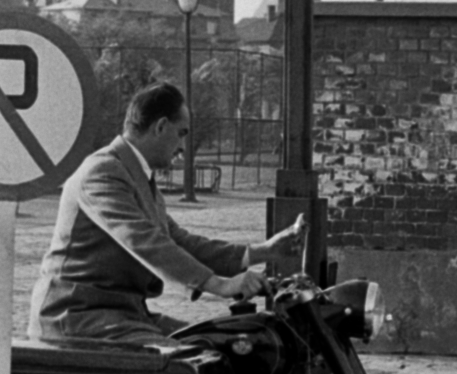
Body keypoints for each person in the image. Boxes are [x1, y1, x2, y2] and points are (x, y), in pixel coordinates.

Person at [28, 81, 304, 344]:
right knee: (189, 365)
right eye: (181, 133)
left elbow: (178, 240)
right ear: (161, 126)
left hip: (121, 315)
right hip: (77, 318)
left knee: (224, 344)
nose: (183, 147)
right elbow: (142, 239)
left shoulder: (137, 176)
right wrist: (219, 284)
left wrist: (262, 251)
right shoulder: (103, 171)